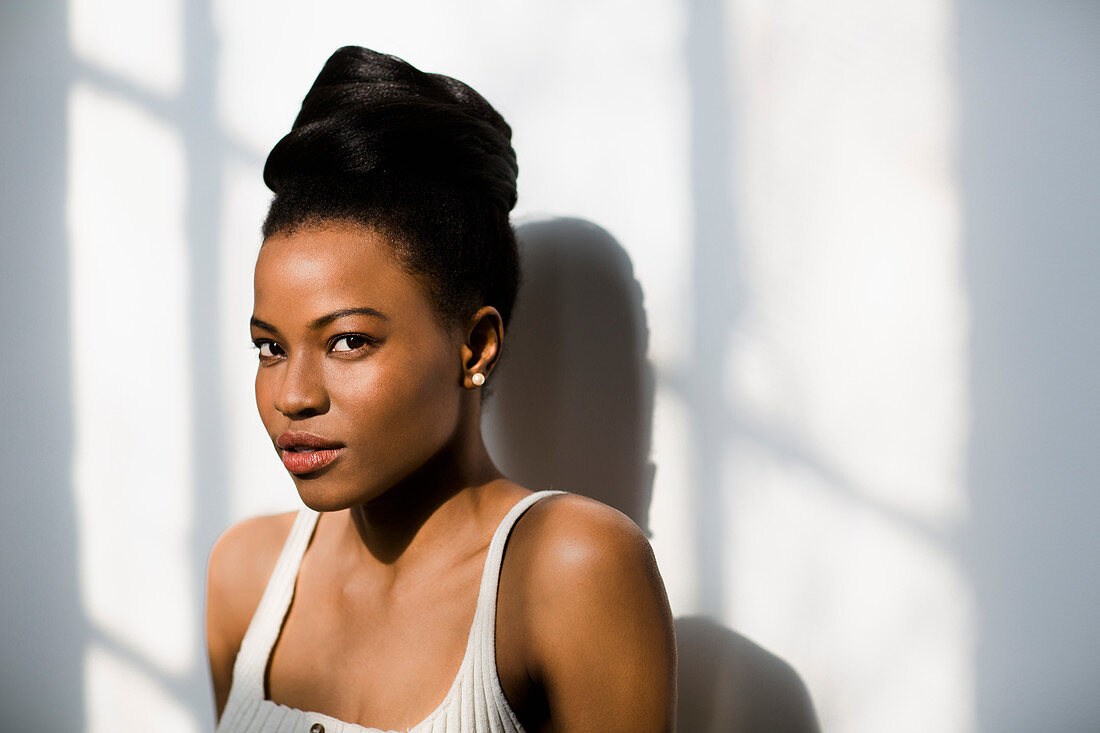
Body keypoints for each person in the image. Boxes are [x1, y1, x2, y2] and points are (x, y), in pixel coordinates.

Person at [205, 46, 676, 733]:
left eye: (348, 341)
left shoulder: (568, 568)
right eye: (270, 347)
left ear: (475, 345)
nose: (293, 395)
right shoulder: (245, 574)